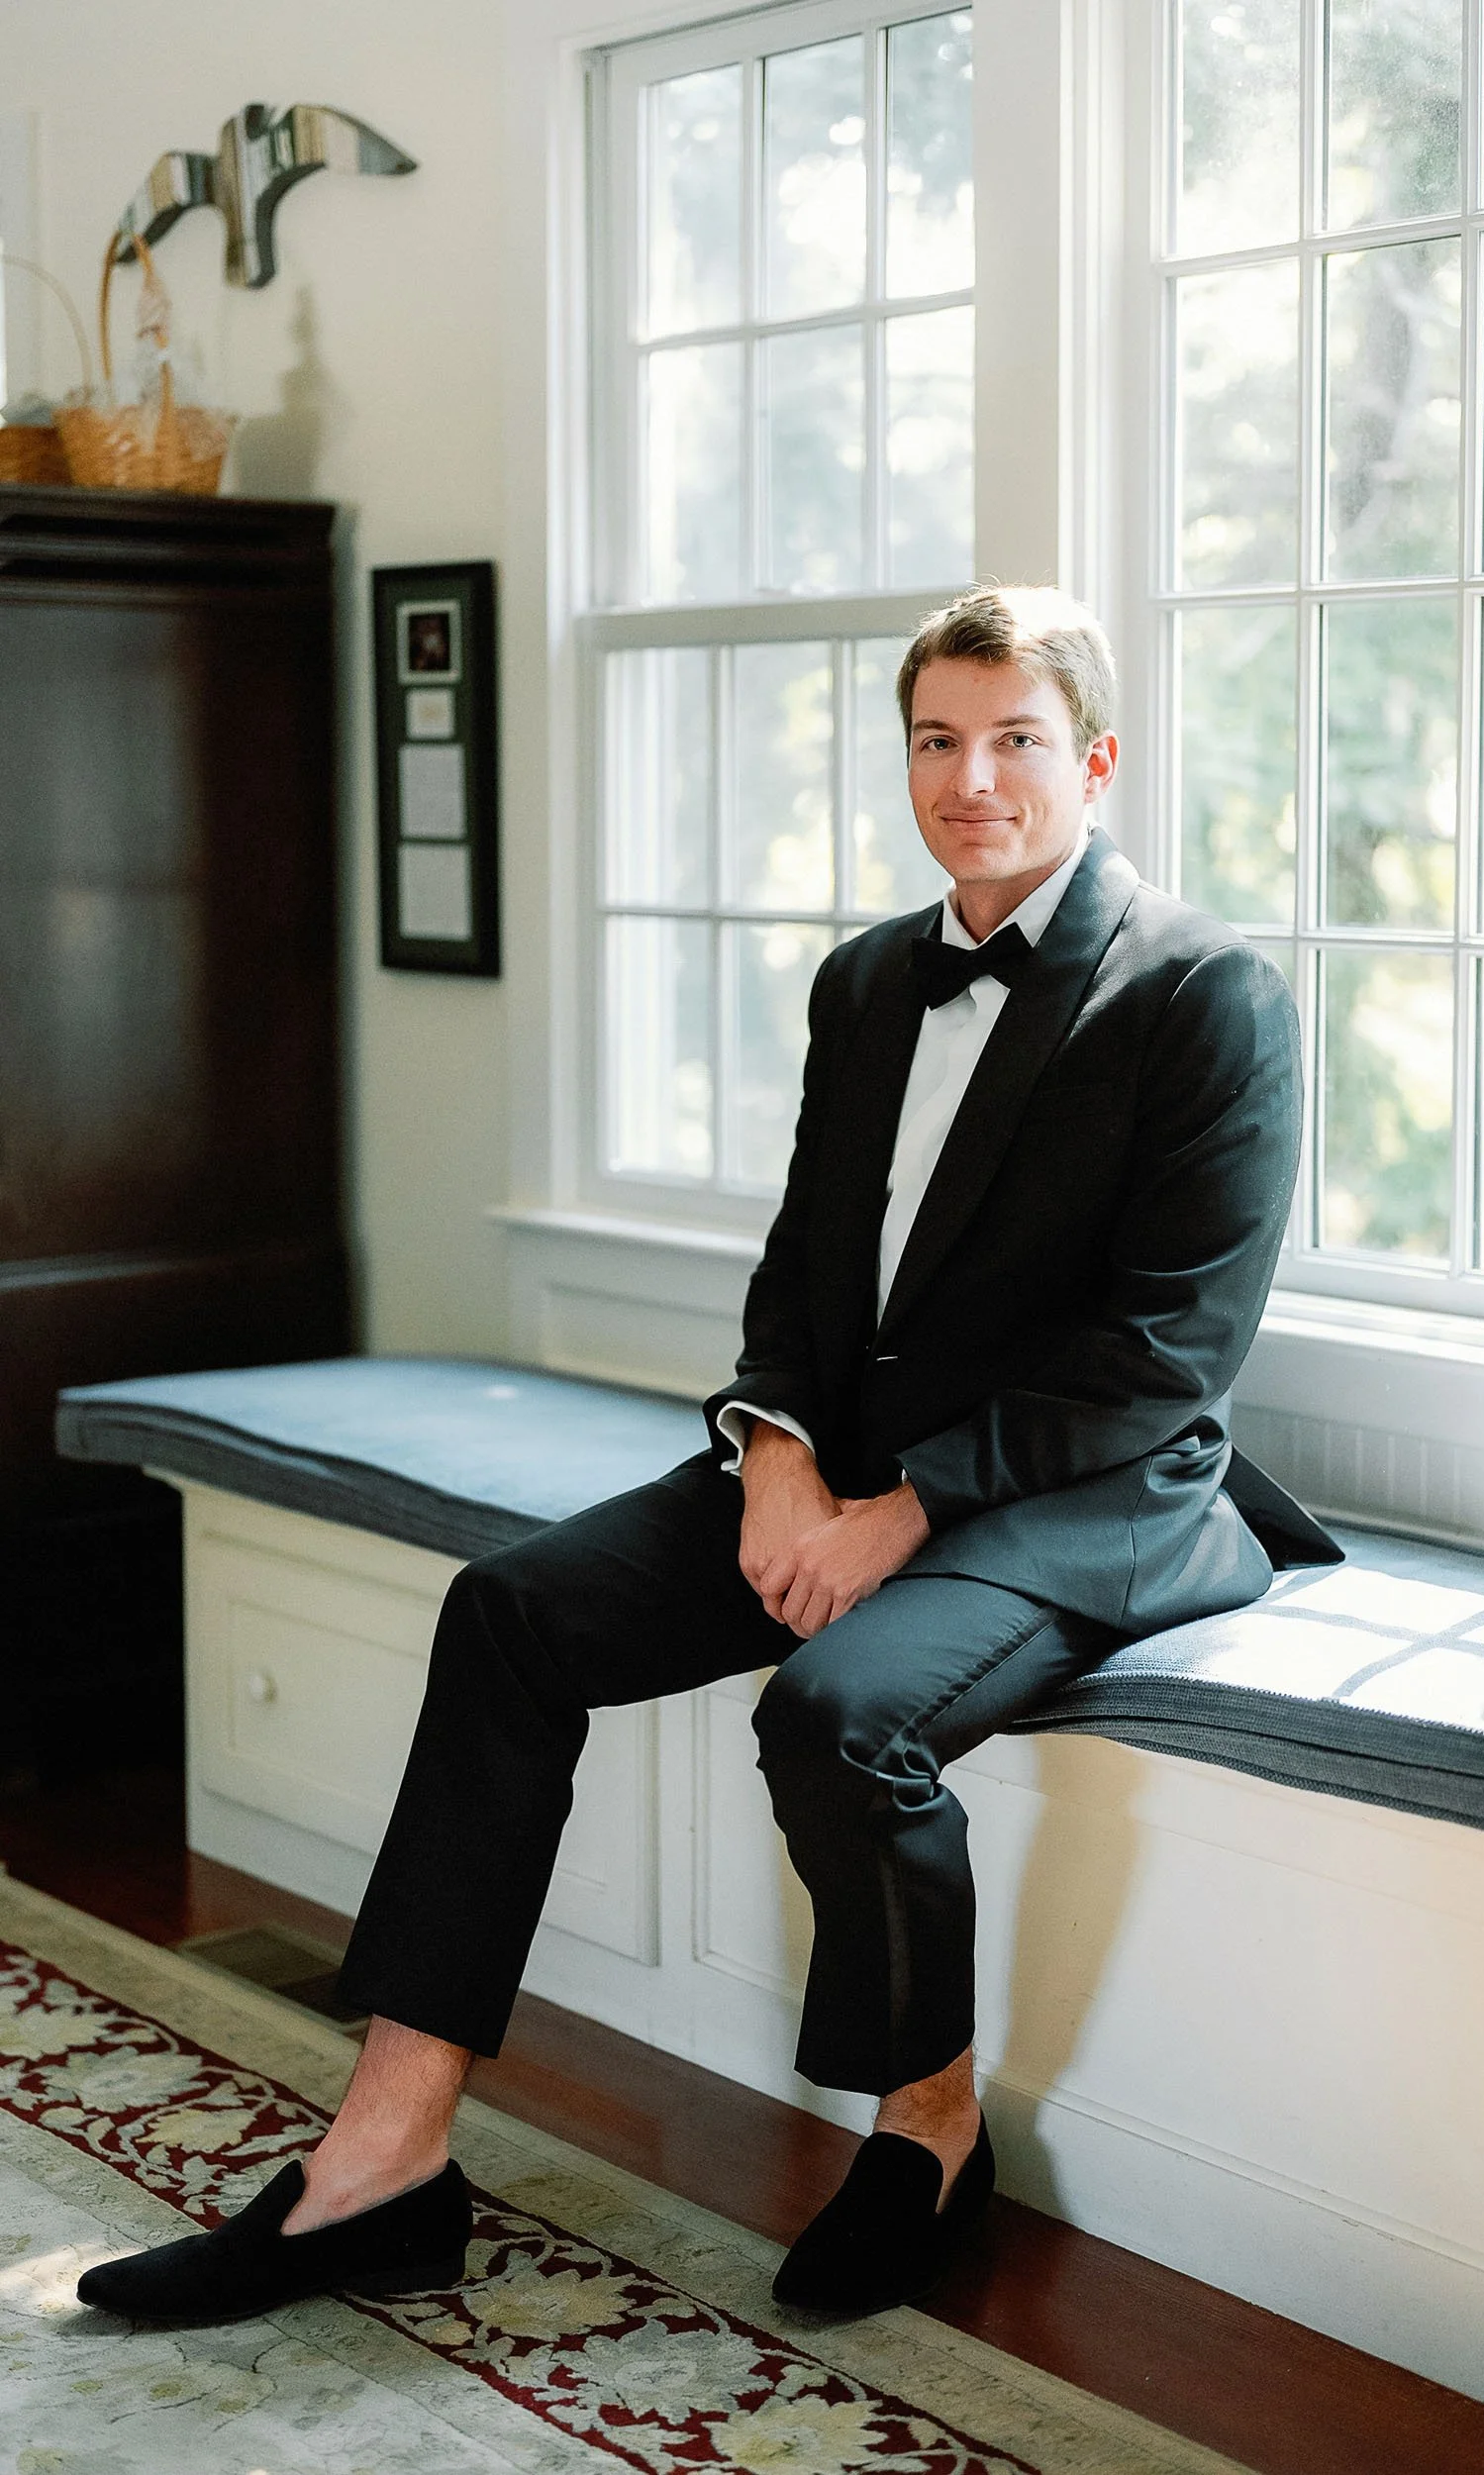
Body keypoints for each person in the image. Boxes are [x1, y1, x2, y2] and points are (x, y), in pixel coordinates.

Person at [79, 585, 1337, 2328]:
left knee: (836, 1710)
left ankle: (928, 2127)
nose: (969, 779)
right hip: (847, 1462)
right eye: (934, 741)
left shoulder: (1209, 996)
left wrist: (898, 1512)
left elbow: (1164, 1360)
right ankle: (386, 2154)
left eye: (1015, 741)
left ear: (1095, 761)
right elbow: (805, 1268)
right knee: (511, 1610)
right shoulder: (865, 980)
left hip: (1080, 1498)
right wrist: (769, 1450)